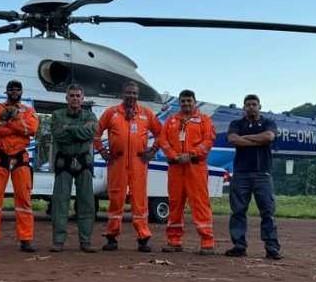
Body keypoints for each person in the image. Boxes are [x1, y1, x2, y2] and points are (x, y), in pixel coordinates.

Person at [94, 81, 161, 252]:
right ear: (122, 94)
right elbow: (96, 133)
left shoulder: (146, 114)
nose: (131, 96)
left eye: (134, 93)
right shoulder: (112, 113)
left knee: (139, 201)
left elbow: (161, 133)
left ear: (138, 95)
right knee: (116, 199)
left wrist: (152, 151)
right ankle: (112, 237)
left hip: (139, 163)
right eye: (128, 93)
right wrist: (102, 152)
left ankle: (143, 238)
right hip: (117, 162)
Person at [0, 80, 39, 253]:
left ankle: (26, 240)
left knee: (24, 200)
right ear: (6, 92)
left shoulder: (28, 110)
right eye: (11, 89)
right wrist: (12, 124)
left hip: (21, 157)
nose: (14, 92)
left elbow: (31, 130)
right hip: (0, 157)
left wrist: (11, 120)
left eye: (17, 89)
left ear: (21, 92)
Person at [158, 89, 216, 255]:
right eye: (183, 101)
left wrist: (191, 155)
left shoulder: (204, 120)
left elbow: (208, 141)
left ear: (194, 102)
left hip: (196, 168)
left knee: (200, 204)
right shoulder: (171, 121)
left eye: (189, 101)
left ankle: (207, 242)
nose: (186, 104)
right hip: (176, 168)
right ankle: (174, 241)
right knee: (175, 204)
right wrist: (174, 156)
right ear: (179, 102)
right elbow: (163, 140)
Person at [225, 94, 282, 260]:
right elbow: (232, 139)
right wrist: (258, 140)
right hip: (241, 173)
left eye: (254, 104)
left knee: (267, 212)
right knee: (238, 211)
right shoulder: (236, 123)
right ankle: (239, 246)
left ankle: (272, 247)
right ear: (244, 107)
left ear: (259, 106)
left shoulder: (268, 123)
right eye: (248, 104)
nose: (251, 107)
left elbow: (269, 137)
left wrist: (245, 139)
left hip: (262, 173)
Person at [49, 84, 98, 253]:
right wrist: (78, 131)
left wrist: (68, 129)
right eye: (72, 95)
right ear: (66, 98)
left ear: (82, 98)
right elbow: (58, 135)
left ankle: (85, 241)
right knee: (60, 202)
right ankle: (58, 241)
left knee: (86, 202)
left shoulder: (90, 115)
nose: (75, 98)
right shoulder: (57, 115)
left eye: (78, 95)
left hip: (83, 161)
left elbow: (89, 133)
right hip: (64, 161)